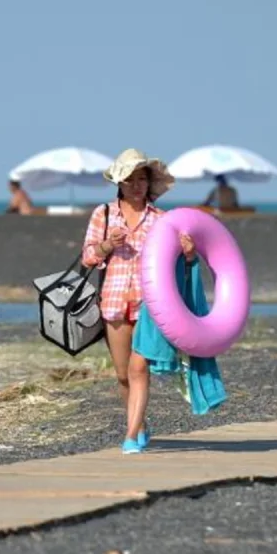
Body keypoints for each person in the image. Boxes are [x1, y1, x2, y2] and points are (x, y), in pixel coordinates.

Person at [81, 148, 196, 454]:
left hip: (150, 304)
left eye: (142, 179)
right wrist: (107, 245)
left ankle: (131, 435)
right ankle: (140, 424)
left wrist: (187, 253)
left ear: (149, 184)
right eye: (130, 179)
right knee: (121, 375)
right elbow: (88, 257)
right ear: (120, 182)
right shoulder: (103, 214)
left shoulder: (162, 219)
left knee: (138, 370)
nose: (137, 185)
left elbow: (176, 262)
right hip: (114, 303)